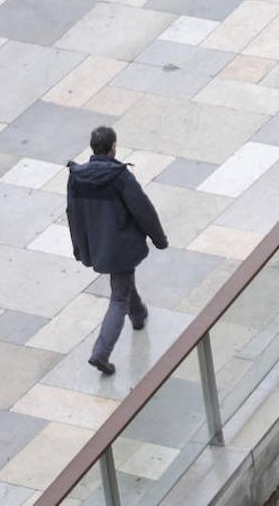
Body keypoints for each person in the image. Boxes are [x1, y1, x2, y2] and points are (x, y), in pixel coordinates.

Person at [66, 125, 167, 376]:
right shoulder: (119, 176)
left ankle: (139, 313)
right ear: (113, 147)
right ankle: (101, 353)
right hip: (120, 245)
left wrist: (80, 246)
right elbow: (142, 209)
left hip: (97, 244)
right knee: (118, 296)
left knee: (122, 283)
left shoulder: (77, 176)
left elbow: (72, 213)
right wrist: (159, 238)